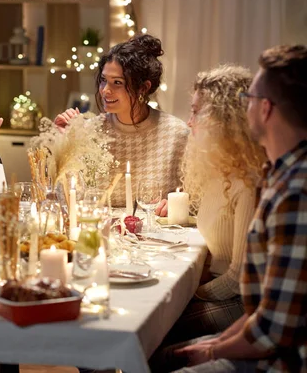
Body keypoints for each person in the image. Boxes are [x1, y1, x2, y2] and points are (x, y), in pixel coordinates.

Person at [164, 44, 307, 372]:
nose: (244, 108)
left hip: (280, 363)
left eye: (250, 100)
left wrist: (211, 351)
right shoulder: (279, 173)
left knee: (161, 347)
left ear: (267, 109)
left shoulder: (295, 192)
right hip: (259, 333)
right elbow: (262, 314)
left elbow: (272, 331)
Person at [155, 66, 266, 350]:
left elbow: (238, 280)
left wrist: (191, 293)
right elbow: (220, 226)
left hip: (239, 303)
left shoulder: (247, 183)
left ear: (224, 119)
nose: (189, 122)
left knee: (155, 331)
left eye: (196, 112)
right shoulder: (221, 171)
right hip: (216, 289)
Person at [55, 34, 189, 207]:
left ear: (143, 87)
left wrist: (176, 205)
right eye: (104, 80)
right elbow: (65, 199)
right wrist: (63, 144)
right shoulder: (89, 131)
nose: (105, 91)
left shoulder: (176, 134)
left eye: (117, 82)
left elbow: (195, 200)